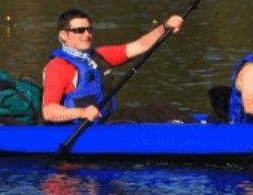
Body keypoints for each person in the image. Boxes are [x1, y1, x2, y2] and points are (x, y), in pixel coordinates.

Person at [42, 8, 183, 123]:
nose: (87, 34)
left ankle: (195, 127)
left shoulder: (99, 56)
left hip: (106, 122)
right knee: (129, 113)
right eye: (80, 30)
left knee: (161, 109)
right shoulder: (58, 65)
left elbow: (139, 46)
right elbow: (49, 112)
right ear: (63, 35)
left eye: (89, 29)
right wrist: (82, 112)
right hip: (81, 128)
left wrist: (164, 28)